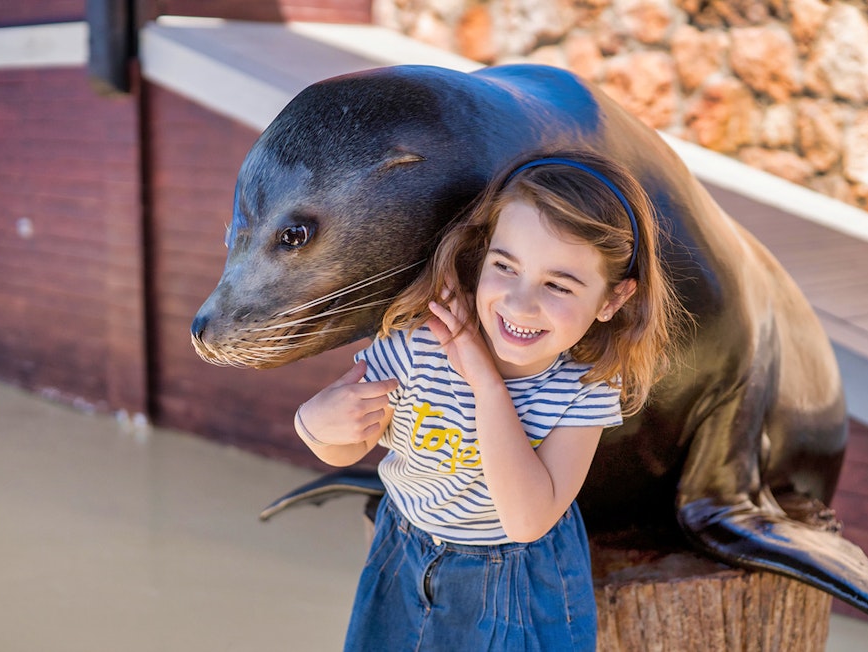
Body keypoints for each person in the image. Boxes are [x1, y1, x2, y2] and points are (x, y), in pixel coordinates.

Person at [294, 151, 686, 651]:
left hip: (517, 578)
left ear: (612, 300)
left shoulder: (583, 390)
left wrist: (486, 383)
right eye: (505, 266)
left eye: (559, 284)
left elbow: (527, 520)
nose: (521, 304)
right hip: (404, 545)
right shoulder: (418, 343)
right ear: (483, 256)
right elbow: (347, 447)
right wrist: (315, 423)